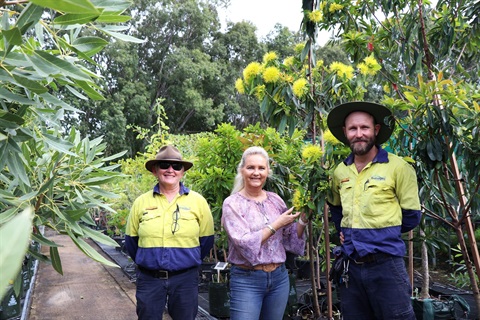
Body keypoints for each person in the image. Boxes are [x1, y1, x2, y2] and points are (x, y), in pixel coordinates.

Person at [326, 101, 422, 320]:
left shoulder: (398, 167)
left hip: (387, 266)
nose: (359, 134)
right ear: (345, 132)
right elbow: (335, 205)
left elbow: (411, 215)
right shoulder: (340, 170)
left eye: (364, 128)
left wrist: (378, 236)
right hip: (351, 267)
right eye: (353, 128)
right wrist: (344, 231)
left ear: (376, 130)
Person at [124, 145, 214, 320]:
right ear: (155, 170)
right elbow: (131, 241)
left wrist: (186, 260)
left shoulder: (198, 202)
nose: (170, 170)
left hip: (185, 279)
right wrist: (149, 262)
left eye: (176, 166)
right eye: (164, 165)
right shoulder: (141, 202)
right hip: (149, 279)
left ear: (182, 172)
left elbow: (206, 241)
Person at [221, 146, 308, 320]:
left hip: (279, 278)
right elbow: (244, 242)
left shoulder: (275, 199)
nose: (256, 173)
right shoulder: (233, 203)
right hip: (247, 279)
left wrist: (304, 219)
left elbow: (290, 238)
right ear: (241, 170)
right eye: (251, 167)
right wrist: (276, 224)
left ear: (268, 171)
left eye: (261, 168)